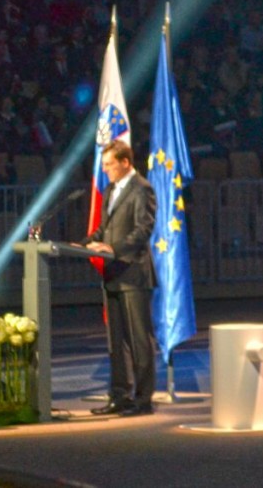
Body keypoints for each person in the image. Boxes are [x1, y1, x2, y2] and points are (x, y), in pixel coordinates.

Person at [82, 140, 158, 416]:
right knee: (116, 341)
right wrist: (82, 244)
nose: (105, 170)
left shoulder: (142, 188)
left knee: (139, 340)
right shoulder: (111, 190)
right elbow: (104, 229)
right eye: (103, 165)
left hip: (133, 273)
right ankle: (119, 395)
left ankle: (143, 399)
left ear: (125, 162)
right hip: (113, 274)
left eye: (109, 164)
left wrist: (113, 249)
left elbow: (143, 230)